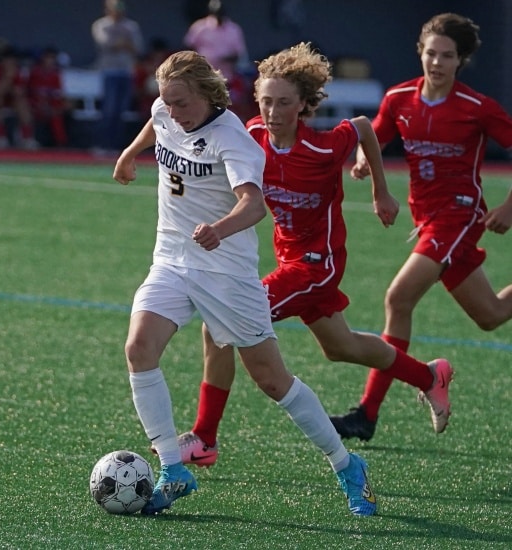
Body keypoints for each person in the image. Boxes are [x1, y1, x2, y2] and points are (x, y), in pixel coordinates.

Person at [113, 50, 378, 517]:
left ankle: (346, 463)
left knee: (273, 381)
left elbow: (253, 205)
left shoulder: (232, 139)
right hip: (171, 261)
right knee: (139, 349)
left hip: (226, 274)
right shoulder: (165, 109)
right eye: (166, 101)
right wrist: (131, 154)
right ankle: (174, 471)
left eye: (180, 102)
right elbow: (157, 124)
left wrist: (221, 228)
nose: (170, 110)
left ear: (205, 95)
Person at [165, 42, 454, 469]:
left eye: (284, 102)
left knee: (219, 324)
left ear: (303, 104)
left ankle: (205, 438)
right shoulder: (253, 136)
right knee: (341, 346)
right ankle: (429, 376)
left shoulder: (323, 146)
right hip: (290, 262)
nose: (273, 111)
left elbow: (363, 128)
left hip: (319, 264)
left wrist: (381, 190)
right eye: (266, 101)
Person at [330, 12, 512, 441]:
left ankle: (367, 414)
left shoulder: (476, 108)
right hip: (429, 220)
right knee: (491, 315)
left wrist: (508, 206)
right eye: (431, 52)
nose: (437, 62)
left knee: (398, 297)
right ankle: (382, 405)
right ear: (420, 52)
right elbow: (376, 132)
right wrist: (360, 158)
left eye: (447, 56)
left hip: (460, 217)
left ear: (460, 60)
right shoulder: (399, 98)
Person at [183, 0, 253, 121]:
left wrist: (222, 58)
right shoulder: (199, 27)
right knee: (205, 109)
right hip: (204, 77)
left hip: (227, 77)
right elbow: (188, 48)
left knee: (228, 109)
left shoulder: (233, 29)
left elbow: (238, 54)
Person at [91, 0, 144, 153]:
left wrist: (122, 44)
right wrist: (122, 43)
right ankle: (102, 145)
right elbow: (105, 43)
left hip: (126, 72)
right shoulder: (101, 25)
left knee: (121, 111)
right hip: (109, 72)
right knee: (109, 110)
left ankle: (116, 146)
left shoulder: (131, 26)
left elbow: (138, 48)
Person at [0, 47, 39, 150]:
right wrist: (8, 77)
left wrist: (14, 87)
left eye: (13, 60)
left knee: (22, 103)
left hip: (7, 101)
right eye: (9, 60)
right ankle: (1, 138)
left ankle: (27, 138)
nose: (11, 62)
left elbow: (19, 92)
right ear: (2, 60)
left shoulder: (17, 72)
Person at [27, 47, 70, 147]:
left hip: (50, 105)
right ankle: (28, 140)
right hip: (35, 104)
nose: (50, 61)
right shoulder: (35, 72)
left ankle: (61, 144)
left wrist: (56, 106)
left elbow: (57, 94)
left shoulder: (55, 74)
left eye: (52, 58)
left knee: (56, 114)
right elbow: (30, 92)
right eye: (48, 58)